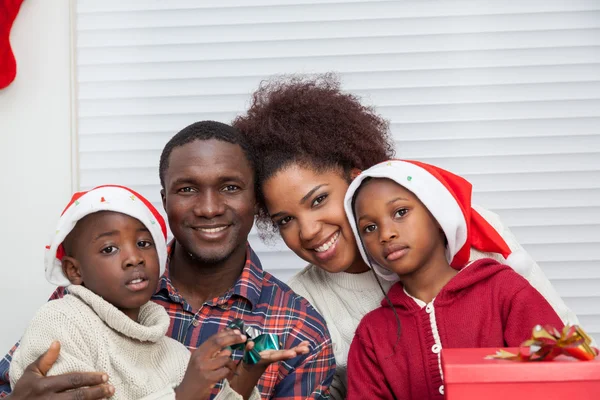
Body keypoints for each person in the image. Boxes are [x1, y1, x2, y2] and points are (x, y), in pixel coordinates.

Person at [232, 74, 578, 399]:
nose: (307, 231)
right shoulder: (303, 302)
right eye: (285, 220)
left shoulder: (472, 234)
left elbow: (567, 354)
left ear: (356, 180)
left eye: (319, 199)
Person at [1, 121, 335, 399]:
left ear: (256, 201)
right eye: (187, 189)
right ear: (164, 199)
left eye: (230, 187)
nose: (208, 208)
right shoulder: (90, 295)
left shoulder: (296, 330)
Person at [9, 184, 276, 399]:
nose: (134, 257)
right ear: (74, 271)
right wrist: (182, 396)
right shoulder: (62, 322)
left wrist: (244, 380)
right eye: (109, 249)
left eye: (143, 243)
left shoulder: (174, 354)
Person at [344, 159, 564, 399]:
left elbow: (561, 378)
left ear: (438, 217)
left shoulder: (504, 292)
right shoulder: (372, 333)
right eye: (369, 227)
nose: (386, 234)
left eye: (401, 212)